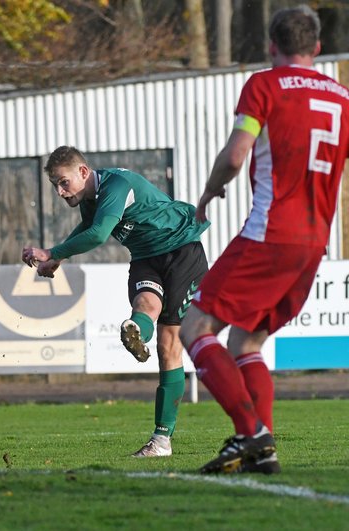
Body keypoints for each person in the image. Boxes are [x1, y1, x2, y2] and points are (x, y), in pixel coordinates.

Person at [179, 5, 349, 475]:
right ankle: (262, 449)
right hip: (313, 244)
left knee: (195, 327)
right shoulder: (343, 98)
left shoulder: (265, 85)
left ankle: (250, 433)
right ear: (317, 47)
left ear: (271, 45)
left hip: (270, 234)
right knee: (246, 342)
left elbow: (237, 154)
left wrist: (210, 190)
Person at [22, 146, 210, 457]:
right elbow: (87, 227)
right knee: (144, 307)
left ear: (83, 172)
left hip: (181, 251)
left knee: (168, 346)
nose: (59, 192)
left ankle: (162, 441)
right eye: (55, 185)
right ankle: (137, 333)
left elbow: (98, 234)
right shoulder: (89, 197)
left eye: (63, 182)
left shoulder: (116, 186)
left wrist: (52, 253)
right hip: (146, 257)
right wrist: (57, 259)